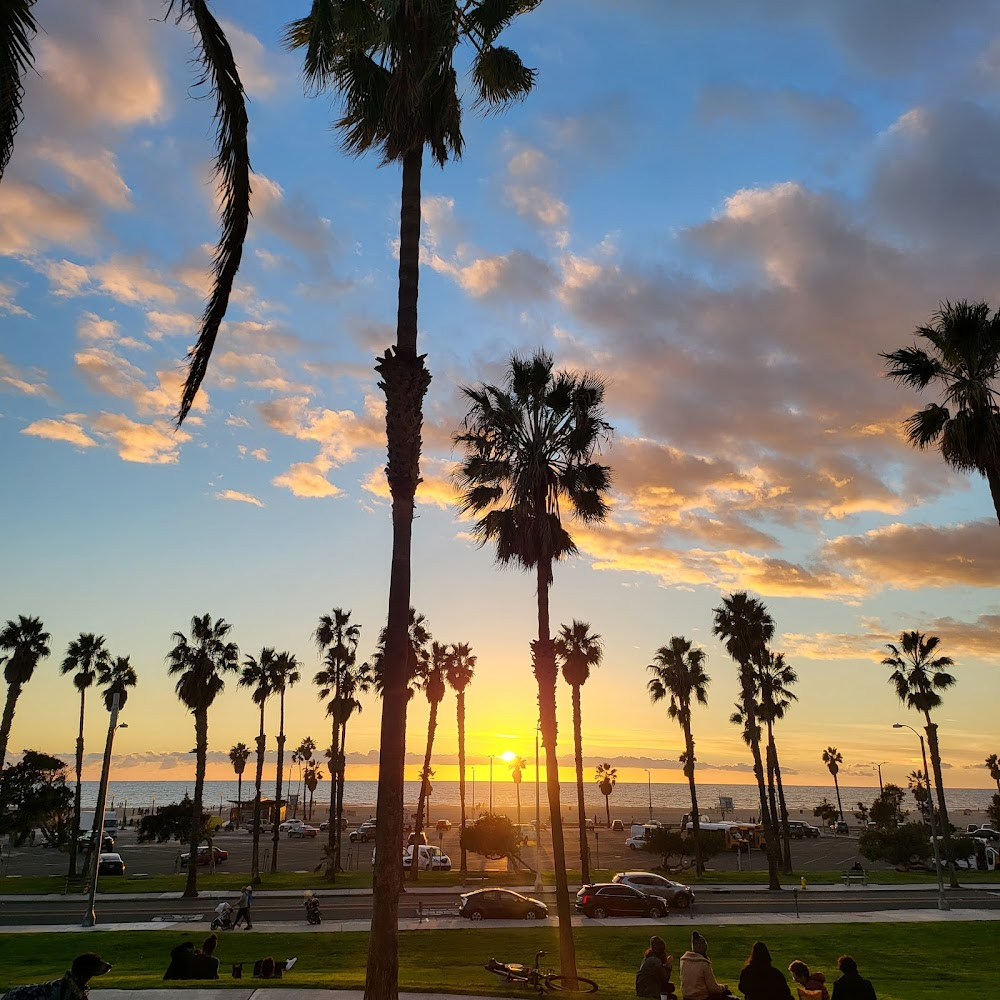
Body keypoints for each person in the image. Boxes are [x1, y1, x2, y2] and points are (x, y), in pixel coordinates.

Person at [2, 954, 112, 1000]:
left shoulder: (74, 989)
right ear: (86, 969)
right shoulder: (63, 992)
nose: (105, 965)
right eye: (97, 963)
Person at [679, 932, 730, 1000]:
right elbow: (712, 988)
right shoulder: (704, 963)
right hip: (701, 997)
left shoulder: (684, 961)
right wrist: (723, 987)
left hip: (686, 996)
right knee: (727, 994)